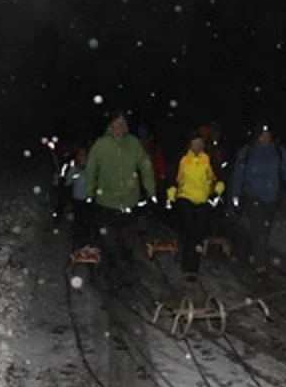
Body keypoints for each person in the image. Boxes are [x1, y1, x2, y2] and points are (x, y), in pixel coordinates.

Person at [85, 110, 156, 276]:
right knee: (108, 239)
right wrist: (89, 192)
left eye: (124, 123)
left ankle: (127, 267)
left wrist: (150, 190)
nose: (121, 126)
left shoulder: (133, 143)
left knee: (128, 237)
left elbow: (145, 166)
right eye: (117, 122)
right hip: (107, 200)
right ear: (111, 125)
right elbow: (91, 169)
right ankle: (109, 269)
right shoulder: (101, 144)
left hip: (129, 200)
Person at [228, 124, 286, 273]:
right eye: (262, 134)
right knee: (258, 227)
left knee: (264, 229)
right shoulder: (248, 151)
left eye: (267, 134)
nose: (265, 137)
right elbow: (238, 174)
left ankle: (253, 251)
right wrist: (235, 194)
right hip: (252, 195)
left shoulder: (278, 151)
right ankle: (260, 263)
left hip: (271, 197)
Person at [167, 130, 225, 281]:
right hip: (185, 198)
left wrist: (216, 193)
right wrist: (172, 196)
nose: (198, 145)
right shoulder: (183, 159)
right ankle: (188, 265)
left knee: (198, 232)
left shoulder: (208, 159)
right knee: (189, 230)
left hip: (203, 200)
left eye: (200, 142)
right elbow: (173, 179)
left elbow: (219, 179)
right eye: (195, 142)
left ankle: (194, 265)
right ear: (190, 144)